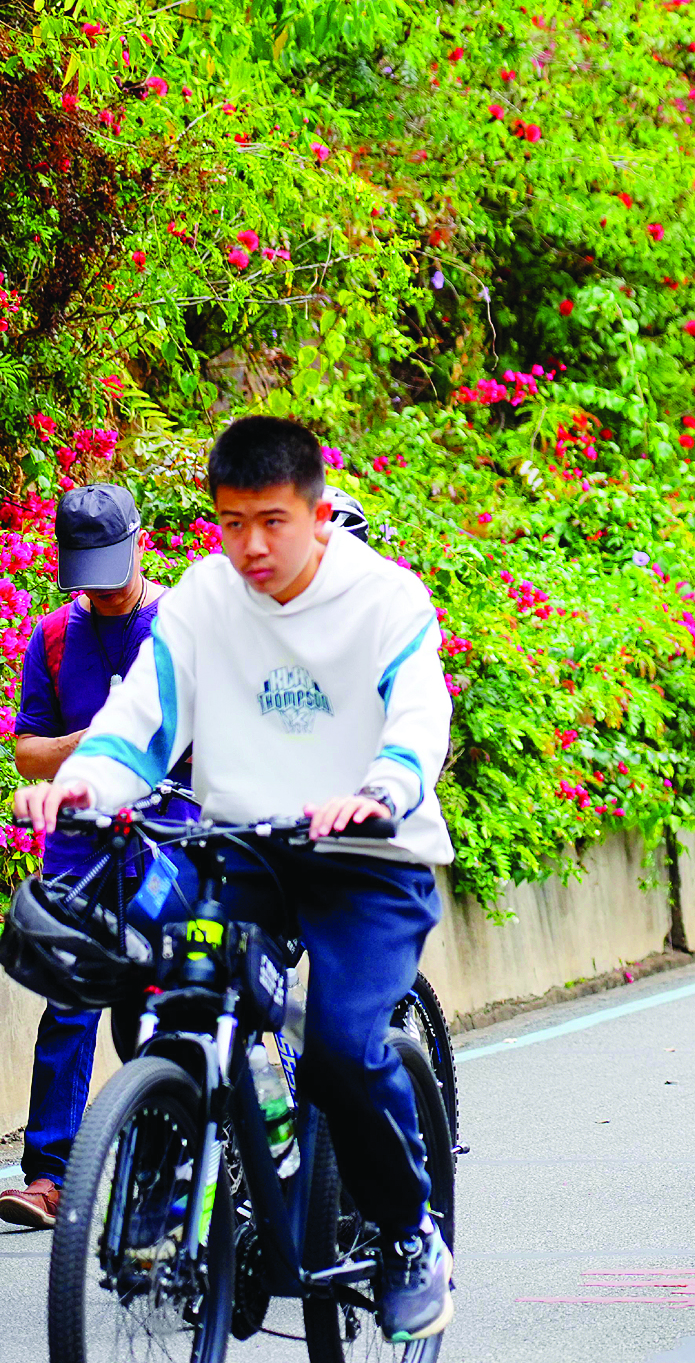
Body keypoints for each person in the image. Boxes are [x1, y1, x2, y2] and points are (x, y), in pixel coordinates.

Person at [14, 417, 458, 1338]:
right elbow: (142, 719)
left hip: (368, 856)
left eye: (272, 521)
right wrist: (83, 783)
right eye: (229, 522)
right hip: (245, 849)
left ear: (319, 512)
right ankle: (173, 1180)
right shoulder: (202, 602)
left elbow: (420, 717)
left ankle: (411, 1233)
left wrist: (382, 787)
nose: (250, 545)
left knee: (340, 1049)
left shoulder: (387, 601)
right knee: (166, 985)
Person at [1, 486, 195, 1230]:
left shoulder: (183, 626)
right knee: (69, 1000)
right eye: (87, 572)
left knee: (169, 1004)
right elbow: (27, 751)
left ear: (141, 543)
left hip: (174, 837)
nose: (102, 586)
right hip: (83, 845)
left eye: (111, 566)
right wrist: (84, 747)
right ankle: (47, 1176)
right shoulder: (53, 637)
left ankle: (168, 1172)